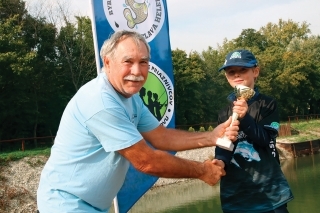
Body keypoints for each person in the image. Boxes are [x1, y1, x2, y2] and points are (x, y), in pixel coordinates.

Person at [36, 30, 239, 213]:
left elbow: (161, 136)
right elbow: (146, 161)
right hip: (65, 204)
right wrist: (202, 171)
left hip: (91, 205)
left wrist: (211, 137)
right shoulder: (101, 102)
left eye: (143, 62)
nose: (137, 71)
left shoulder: (130, 98)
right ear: (107, 63)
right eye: (128, 62)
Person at [214, 49, 294, 213]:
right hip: (236, 196)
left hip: (271, 193)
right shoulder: (223, 113)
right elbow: (224, 147)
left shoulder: (268, 104)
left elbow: (265, 140)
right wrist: (219, 162)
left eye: (243, 70)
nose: (237, 75)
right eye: (231, 72)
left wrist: (244, 117)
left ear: (255, 71)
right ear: (226, 77)